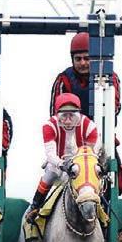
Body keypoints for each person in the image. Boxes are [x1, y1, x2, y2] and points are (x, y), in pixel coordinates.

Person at [50, 32, 122, 193]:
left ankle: (107, 210)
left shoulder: (110, 78)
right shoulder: (63, 80)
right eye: (78, 59)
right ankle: (37, 208)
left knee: (118, 179)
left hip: (101, 141)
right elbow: (55, 115)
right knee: (52, 176)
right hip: (69, 144)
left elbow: (115, 108)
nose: (83, 63)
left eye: (87, 58)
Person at [25, 93, 98, 223]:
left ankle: (101, 213)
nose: (68, 120)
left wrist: (77, 166)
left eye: (72, 115)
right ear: (57, 114)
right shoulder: (49, 126)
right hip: (58, 163)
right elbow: (51, 154)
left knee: (93, 180)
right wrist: (62, 164)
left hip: (81, 166)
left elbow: (90, 154)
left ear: (79, 114)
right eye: (64, 115)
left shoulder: (90, 127)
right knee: (49, 175)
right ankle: (35, 206)